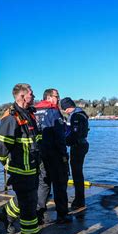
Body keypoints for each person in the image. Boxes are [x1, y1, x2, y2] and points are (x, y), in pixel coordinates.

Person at [0, 83, 46, 234]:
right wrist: (7, 165)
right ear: (22, 96)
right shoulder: (11, 117)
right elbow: (0, 147)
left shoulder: (30, 114)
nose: (34, 95)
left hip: (33, 168)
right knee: (29, 206)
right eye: (31, 93)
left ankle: (6, 215)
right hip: (20, 171)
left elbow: (34, 141)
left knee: (25, 199)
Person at [34, 89, 72, 224]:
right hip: (55, 154)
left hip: (41, 154)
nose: (59, 99)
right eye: (57, 96)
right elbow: (59, 135)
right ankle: (62, 214)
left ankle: (38, 213)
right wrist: (64, 154)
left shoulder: (35, 111)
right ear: (49, 97)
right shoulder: (53, 111)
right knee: (60, 184)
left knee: (43, 184)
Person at [60, 97, 89, 210]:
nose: (64, 111)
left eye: (64, 108)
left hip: (78, 146)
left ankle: (79, 200)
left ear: (67, 108)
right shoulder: (80, 114)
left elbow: (75, 134)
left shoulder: (76, 116)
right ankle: (79, 198)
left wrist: (64, 141)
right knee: (78, 173)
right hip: (81, 145)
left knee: (77, 174)